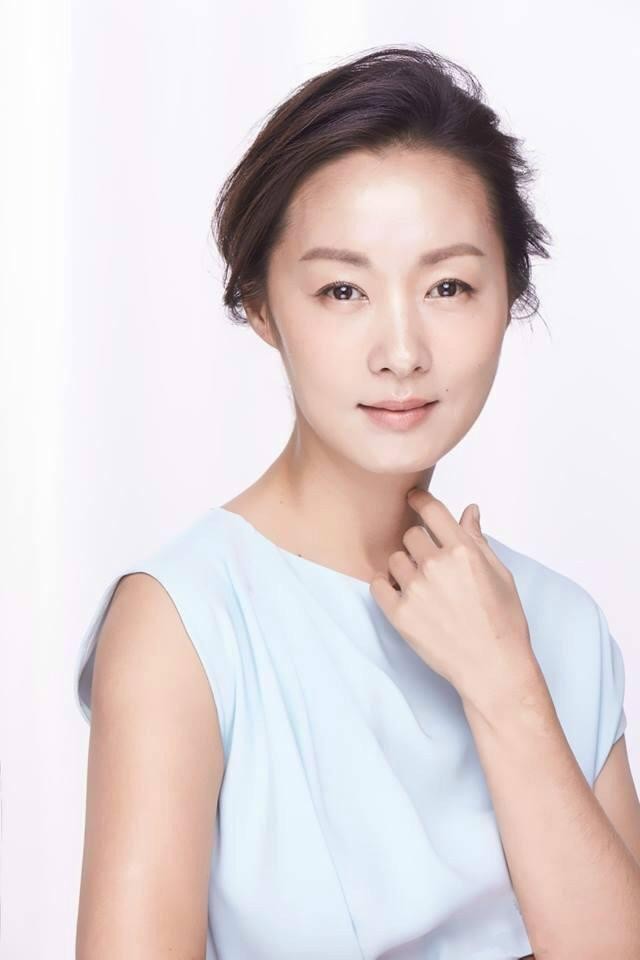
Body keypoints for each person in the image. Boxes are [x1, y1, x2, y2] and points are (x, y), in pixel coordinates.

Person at [74, 44, 634, 960]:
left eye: (449, 286)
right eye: (343, 290)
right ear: (262, 305)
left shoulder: (560, 627)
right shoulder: (186, 625)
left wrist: (508, 688)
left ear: (509, 296)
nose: (402, 351)